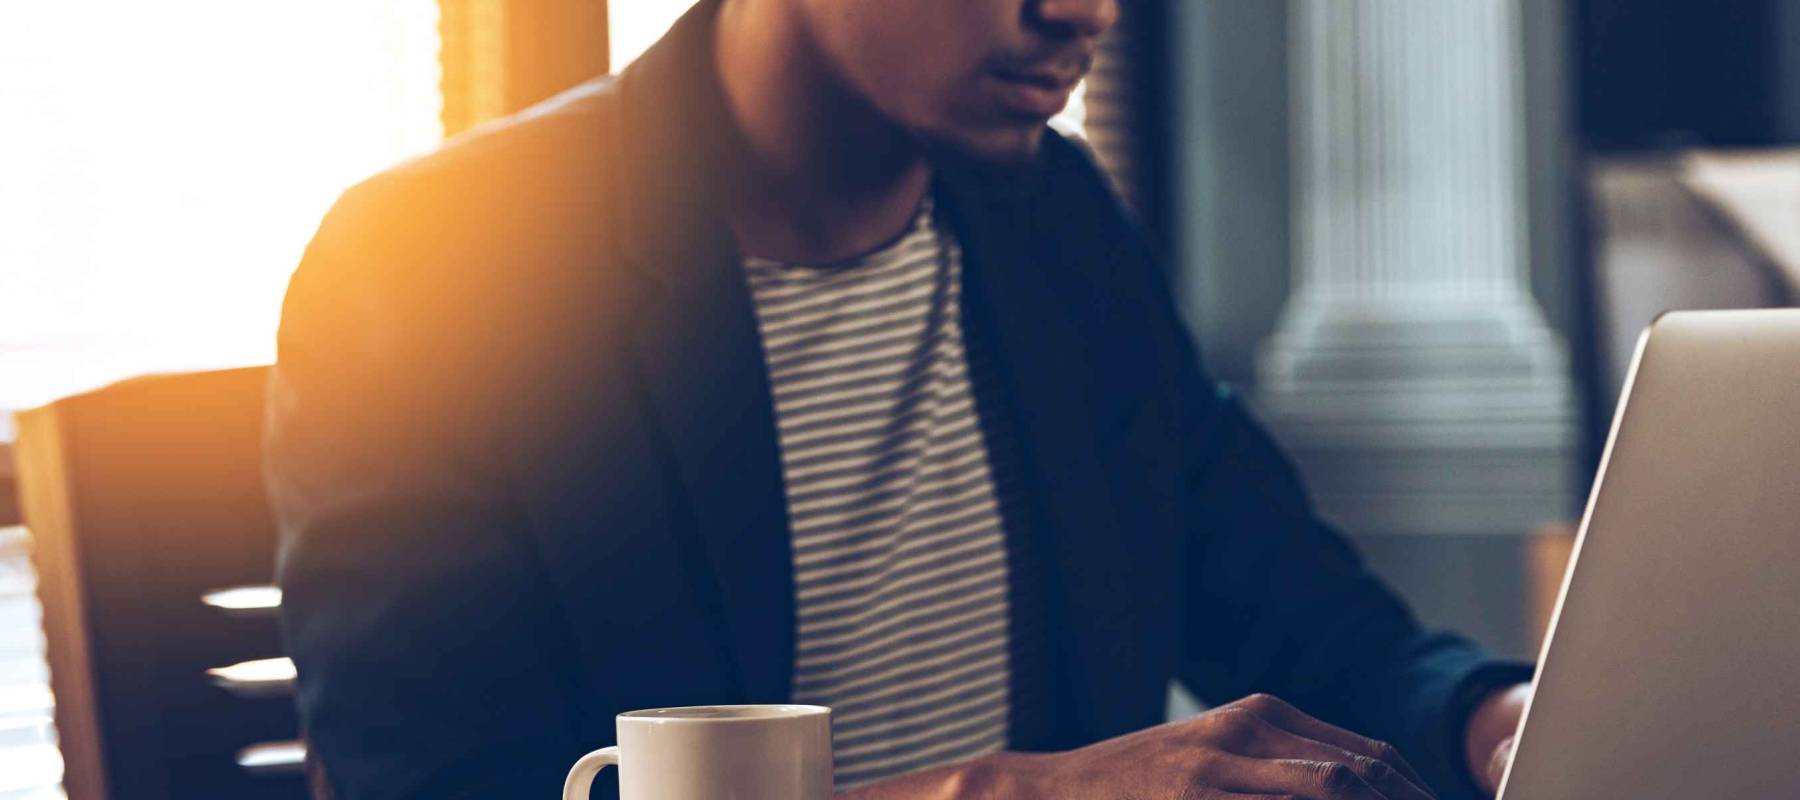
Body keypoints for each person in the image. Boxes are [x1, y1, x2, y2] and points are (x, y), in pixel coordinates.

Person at [265, 0, 1534, 798]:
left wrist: (1500, 718)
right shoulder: (430, 260)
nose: (1082, 9)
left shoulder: (1058, 224)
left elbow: (1301, 620)